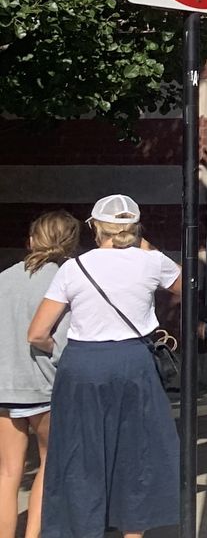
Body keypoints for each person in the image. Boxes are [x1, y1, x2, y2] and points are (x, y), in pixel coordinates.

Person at [26, 196, 180, 538]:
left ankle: (83, 528)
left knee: (79, 453)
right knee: (137, 451)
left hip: (83, 363)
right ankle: (133, 532)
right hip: (134, 362)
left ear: (95, 227)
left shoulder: (73, 267)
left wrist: (55, 351)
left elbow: (38, 332)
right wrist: (145, 246)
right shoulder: (151, 262)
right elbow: (186, 287)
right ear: (136, 228)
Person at [0, 211, 80, 538]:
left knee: (7, 473)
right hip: (47, 387)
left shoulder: (4, 278)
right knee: (48, 468)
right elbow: (64, 341)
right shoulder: (65, 281)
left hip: (5, 385)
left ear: (31, 240)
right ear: (71, 244)